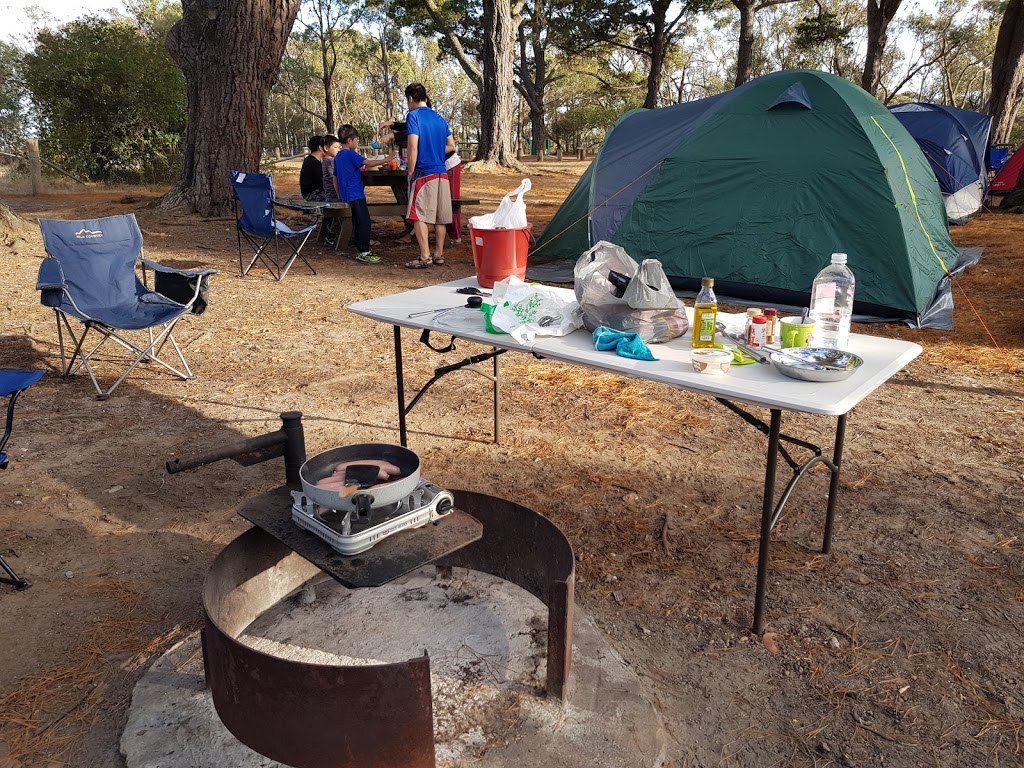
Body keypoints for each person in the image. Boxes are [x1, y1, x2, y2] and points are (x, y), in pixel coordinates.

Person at [402, 83, 456, 269]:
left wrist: (410, 171)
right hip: (441, 172)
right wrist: (435, 152)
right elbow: (452, 146)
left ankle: (424, 256)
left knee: (419, 215)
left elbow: (413, 146)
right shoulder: (439, 118)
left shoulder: (414, 116)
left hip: (424, 173)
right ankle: (438, 254)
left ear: (410, 99)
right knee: (440, 216)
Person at [334, 124, 397, 265]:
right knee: (364, 222)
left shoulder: (338, 157)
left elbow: (335, 178)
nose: (357, 143)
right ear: (350, 140)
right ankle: (364, 251)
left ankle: (360, 249)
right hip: (356, 194)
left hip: (347, 195)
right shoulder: (350, 154)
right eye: (356, 140)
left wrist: (340, 195)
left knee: (357, 222)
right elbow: (368, 163)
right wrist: (388, 159)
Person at [319, 134, 342, 246]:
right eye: (336, 147)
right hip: (334, 196)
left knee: (337, 218)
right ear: (326, 148)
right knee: (342, 214)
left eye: (339, 147)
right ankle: (332, 235)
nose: (338, 149)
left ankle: (332, 235)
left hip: (330, 195)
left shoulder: (325, 161)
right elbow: (333, 177)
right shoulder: (331, 161)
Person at [300, 135, 325, 200]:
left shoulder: (310, 160)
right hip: (312, 194)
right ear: (320, 148)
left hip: (311, 193)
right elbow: (322, 182)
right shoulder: (313, 162)